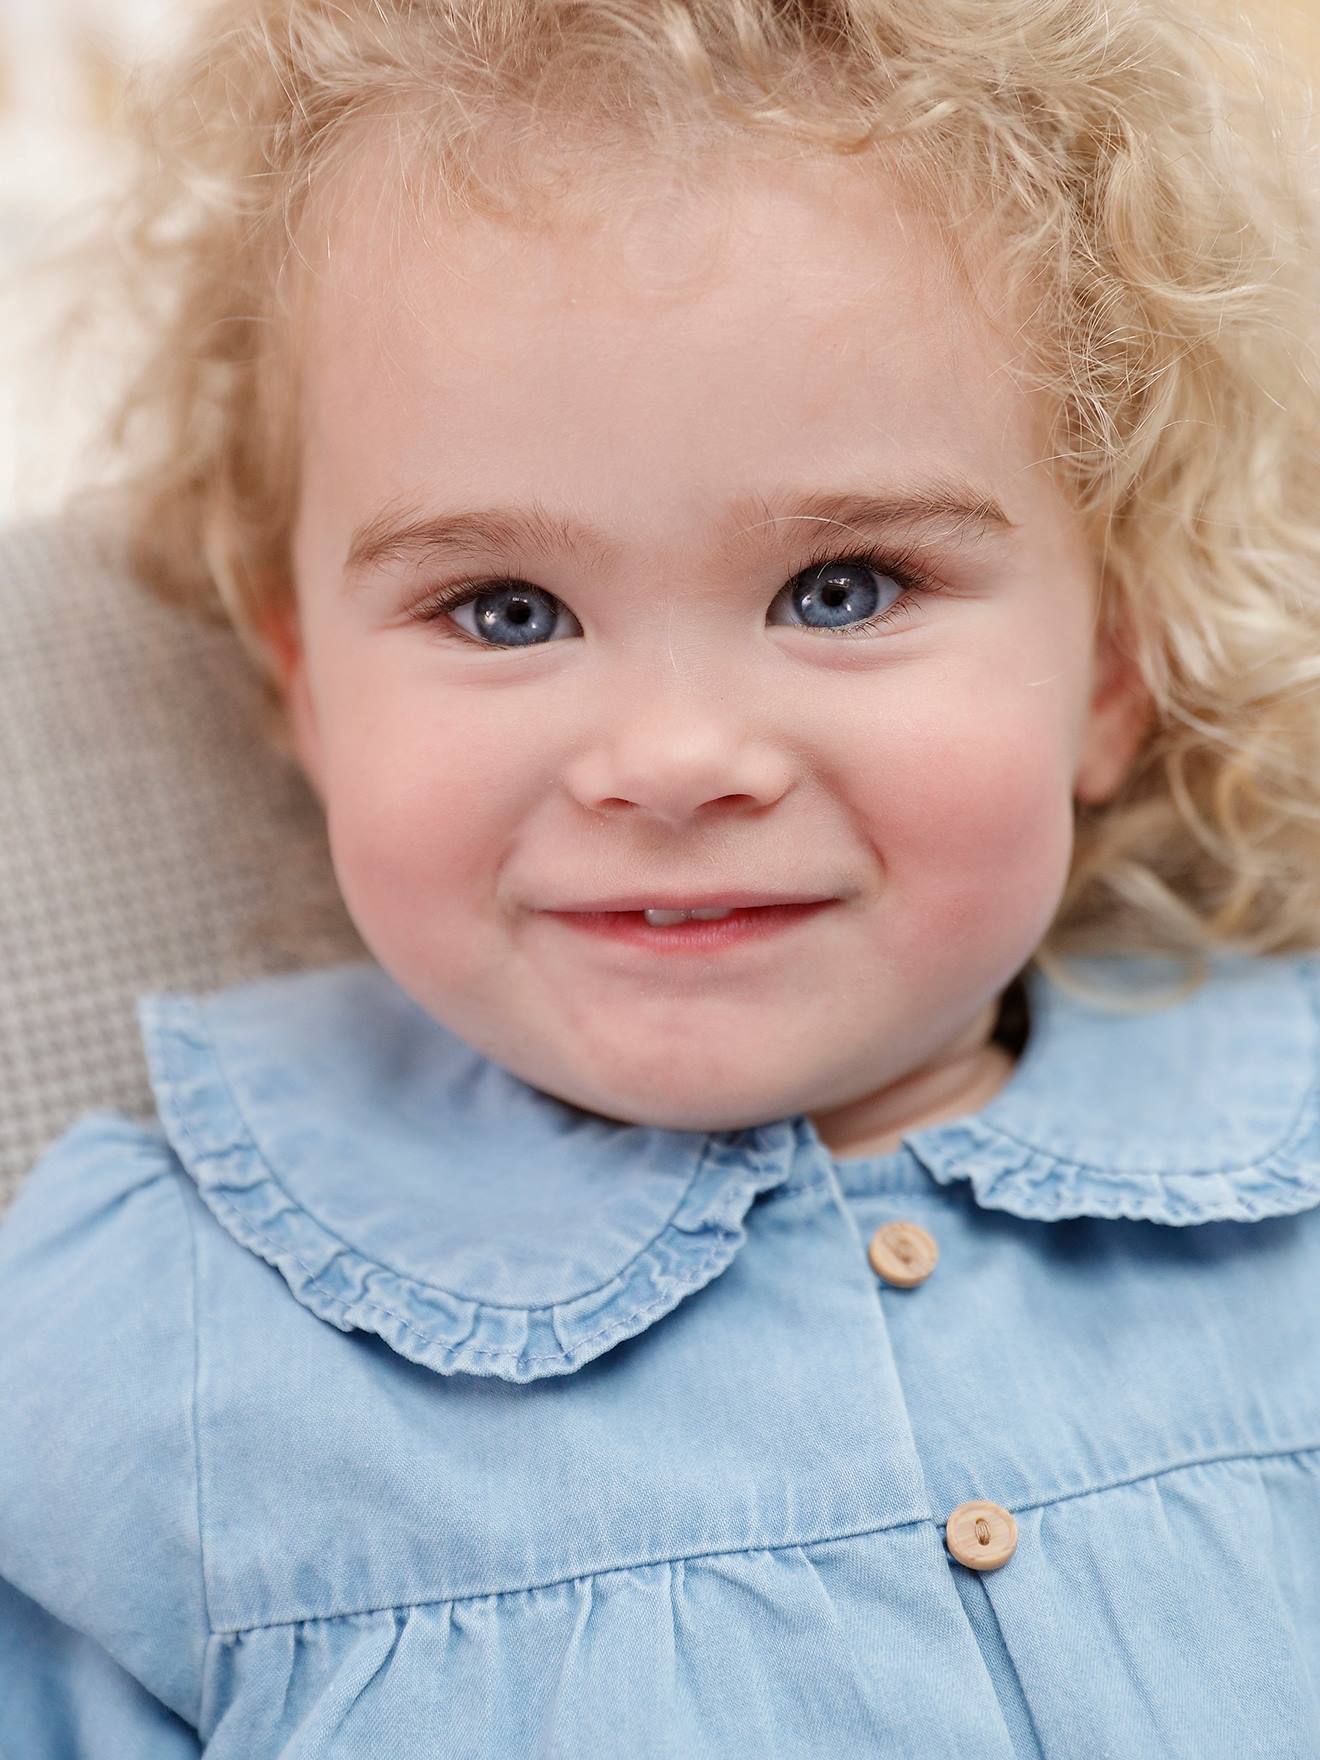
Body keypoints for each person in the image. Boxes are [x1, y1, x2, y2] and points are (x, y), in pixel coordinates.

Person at [2, 0, 1319, 1752]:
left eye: (844, 588)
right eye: (505, 610)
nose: (679, 758)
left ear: (1111, 667)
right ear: (304, 686)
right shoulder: (145, 1342)